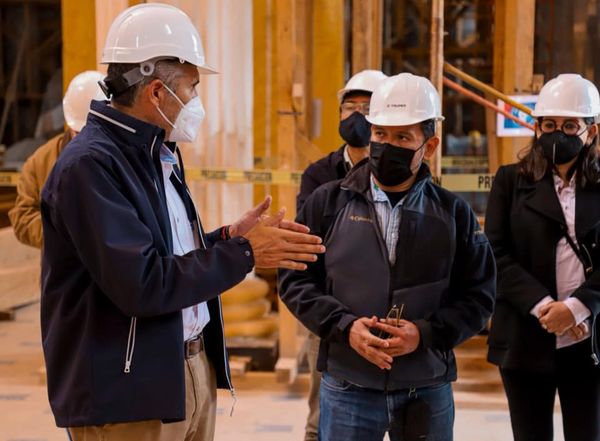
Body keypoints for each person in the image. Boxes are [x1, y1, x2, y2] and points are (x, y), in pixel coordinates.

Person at [40, 4, 324, 441]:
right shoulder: (90, 167)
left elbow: (164, 254)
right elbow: (143, 283)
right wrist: (246, 255)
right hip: (126, 391)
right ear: (156, 93)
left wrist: (227, 238)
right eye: (191, 88)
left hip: (183, 368)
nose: (195, 102)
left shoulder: (157, 153)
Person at [278, 73, 496, 441]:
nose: (386, 145)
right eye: (380, 134)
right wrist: (346, 327)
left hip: (425, 385)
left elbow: (479, 295)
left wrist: (424, 334)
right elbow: (295, 279)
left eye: (402, 137)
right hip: (348, 384)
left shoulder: (454, 214)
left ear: (429, 146)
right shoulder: (327, 203)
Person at [485, 73, 600, 441]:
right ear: (536, 128)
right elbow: (495, 254)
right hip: (526, 335)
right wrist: (546, 307)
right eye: (548, 124)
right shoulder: (509, 181)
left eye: (570, 126)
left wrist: (578, 307)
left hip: (590, 339)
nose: (557, 133)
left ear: (592, 132)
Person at [297, 68, 387, 441]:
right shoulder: (319, 174)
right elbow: (311, 243)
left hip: (390, 312)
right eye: (349, 106)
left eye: (366, 107)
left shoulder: (407, 175)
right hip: (332, 312)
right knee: (322, 416)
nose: (356, 116)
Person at [9, 70, 105, 248]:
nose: (88, 140)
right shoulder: (40, 161)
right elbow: (23, 217)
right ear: (70, 122)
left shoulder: (128, 155)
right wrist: (63, 233)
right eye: (81, 132)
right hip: (64, 271)